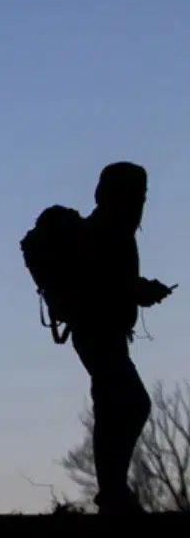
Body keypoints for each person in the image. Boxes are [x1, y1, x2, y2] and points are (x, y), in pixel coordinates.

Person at [72, 162, 175, 515]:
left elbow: (112, 280)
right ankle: (113, 491)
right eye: (137, 193)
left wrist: (139, 290)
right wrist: (141, 290)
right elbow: (106, 281)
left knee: (113, 406)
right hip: (97, 332)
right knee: (131, 404)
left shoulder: (109, 227)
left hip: (102, 332)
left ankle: (112, 492)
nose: (141, 200)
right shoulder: (108, 229)